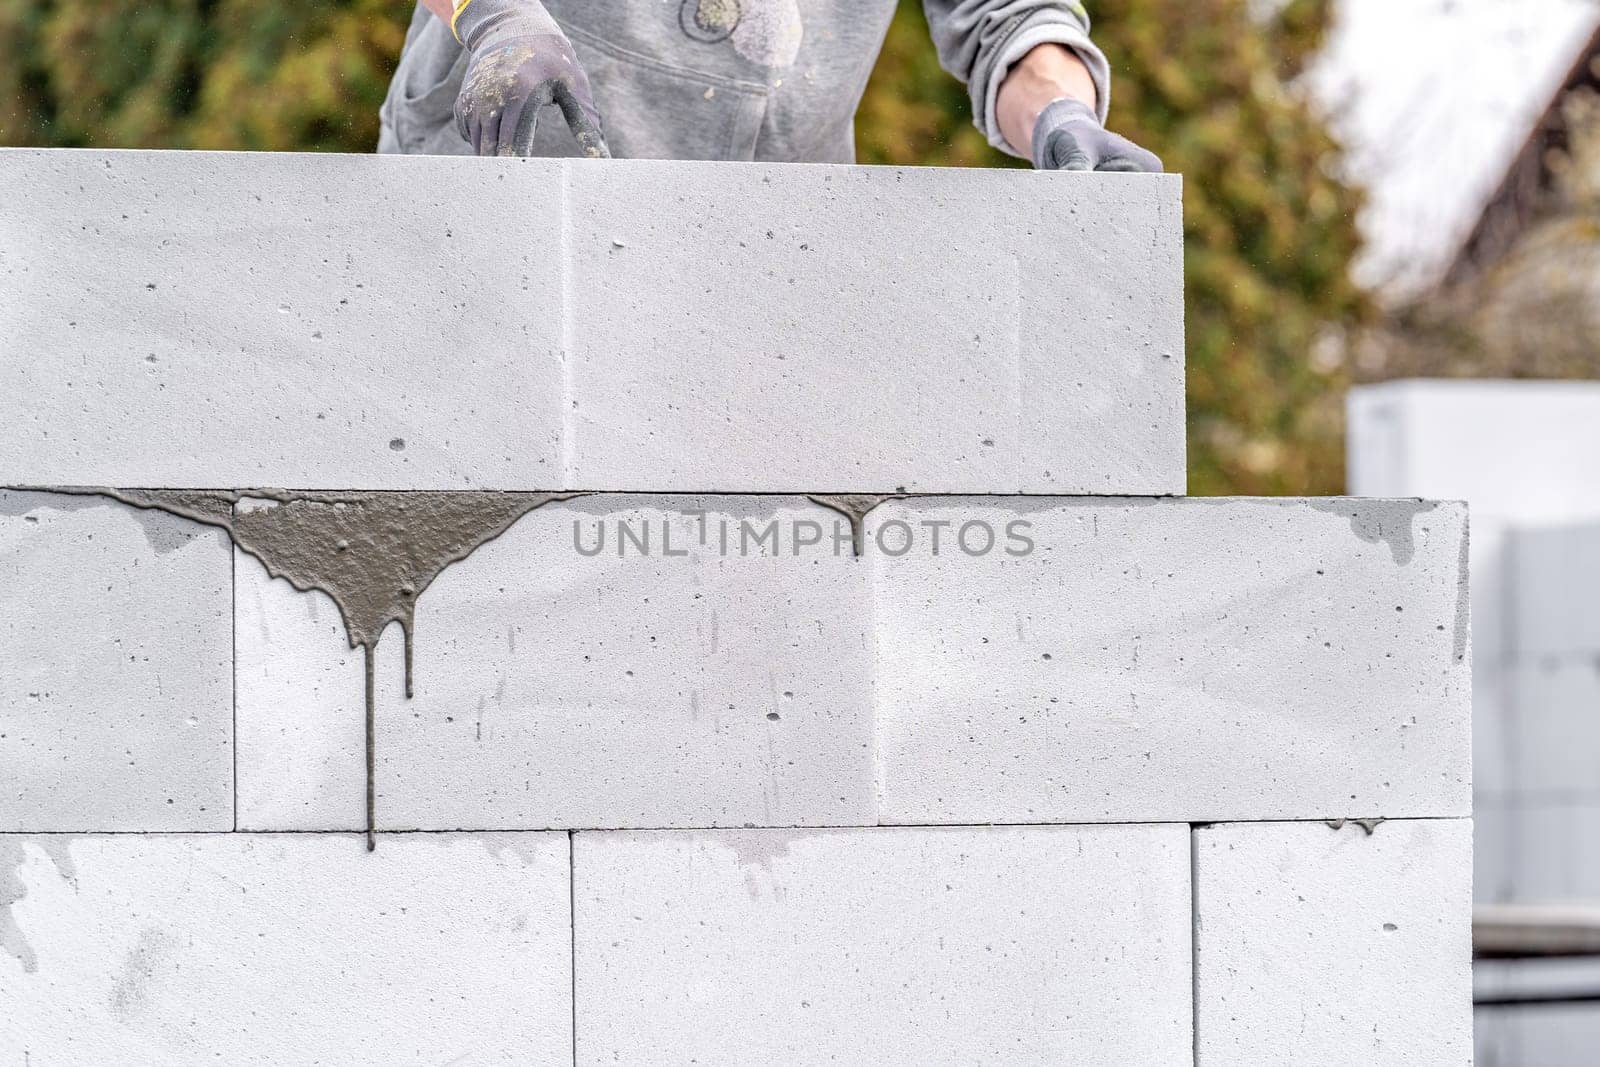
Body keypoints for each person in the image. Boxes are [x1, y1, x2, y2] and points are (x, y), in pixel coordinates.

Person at [378, 1, 1160, 173]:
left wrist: (1060, 107)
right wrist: (496, 15)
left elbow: (1004, 18)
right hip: (501, 181)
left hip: (765, 244)